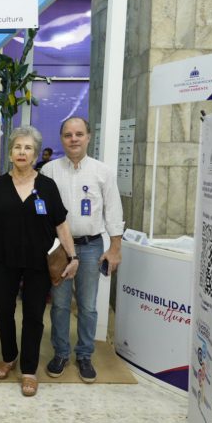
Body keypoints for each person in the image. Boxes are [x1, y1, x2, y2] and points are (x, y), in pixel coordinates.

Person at [0, 126, 78, 396]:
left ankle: (29, 370)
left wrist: (73, 256)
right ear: (10, 153)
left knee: (33, 316)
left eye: (28, 148)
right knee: (2, 311)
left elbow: (61, 225)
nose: (22, 152)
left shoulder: (47, 186)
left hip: (38, 262)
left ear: (35, 154)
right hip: (3, 259)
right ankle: (9, 356)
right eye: (17, 147)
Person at [40, 116, 125, 383]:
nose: (74, 139)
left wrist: (115, 248)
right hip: (59, 249)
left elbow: (113, 211)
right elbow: (40, 212)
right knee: (60, 304)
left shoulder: (102, 172)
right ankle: (61, 353)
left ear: (89, 137)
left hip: (90, 247)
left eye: (79, 134)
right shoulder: (49, 171)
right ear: (62, 139)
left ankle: (85, 355)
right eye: (68, 135)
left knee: (88, 306)